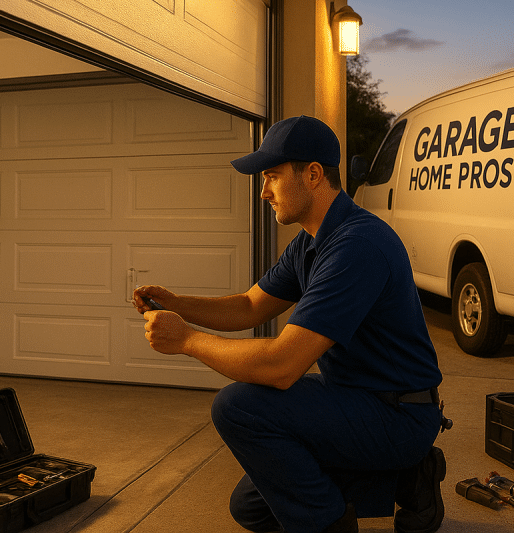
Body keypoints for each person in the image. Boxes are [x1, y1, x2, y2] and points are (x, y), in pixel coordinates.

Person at [133, 115, 448, 533]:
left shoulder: (358, 245)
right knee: (252, 507)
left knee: (238, 405)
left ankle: (336, 521)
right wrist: (178, 304)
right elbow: (249, 306)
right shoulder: (310, 242)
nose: (264, 192)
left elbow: (282, 367)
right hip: (357, 397)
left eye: (273, 177)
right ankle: (409, 479)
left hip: (399, 412)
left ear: (313, 175)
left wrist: (187, 340)